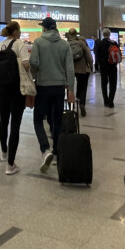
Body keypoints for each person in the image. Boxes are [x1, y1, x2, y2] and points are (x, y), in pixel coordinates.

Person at [29, 17, 76, 173]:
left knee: (37, 119)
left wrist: (37, 75)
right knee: (57, 119)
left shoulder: (38, 43)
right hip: (59, 87)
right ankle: (56, 152)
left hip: (43, 86)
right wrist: (70, 89)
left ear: (45, 28)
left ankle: (45, 149)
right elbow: (70, 67)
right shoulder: (64, 44)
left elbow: (34, 62)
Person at [0, 22, 30, 175]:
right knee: (15, 125)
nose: (20, 33)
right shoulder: (19, 44)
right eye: (19, 30)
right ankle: (10, 165)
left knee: (3, 120)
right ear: (16, 31)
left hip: (1, 89)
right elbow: (26, 64)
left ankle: (4, 153)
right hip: (16, 89)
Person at [64, 28, 93, 116]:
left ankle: (71, 107)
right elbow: (89, 56)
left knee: (70, 88)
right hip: (82, 69)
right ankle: (82, 104)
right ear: (76, 34)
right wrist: (91, 65)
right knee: (82, 87)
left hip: (70, 69)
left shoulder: (66, 44)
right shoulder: (81, 43)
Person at [94, 28, 119, 107]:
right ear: (110, 34)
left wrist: (96, 65)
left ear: (103, 35)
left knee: (104, 84)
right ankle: (111, 101)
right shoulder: (114, 43)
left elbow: (96, 55)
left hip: (103, 66)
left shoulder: (100, 43)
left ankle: (105, 101)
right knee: (113, 84)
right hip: (112, 66)